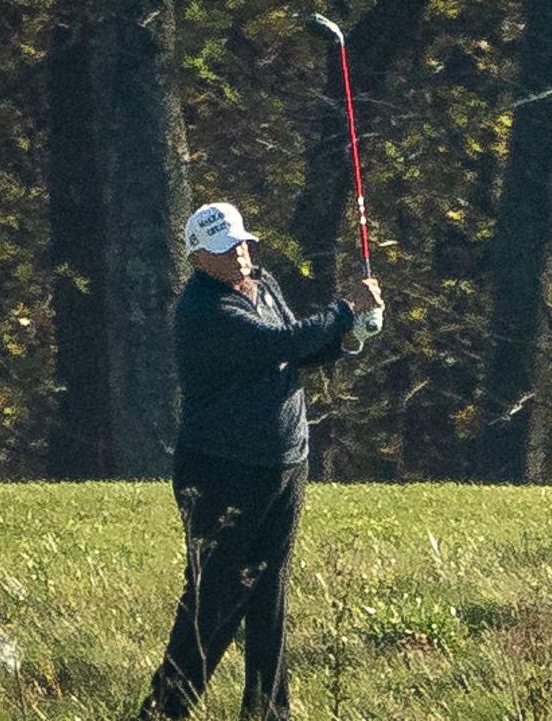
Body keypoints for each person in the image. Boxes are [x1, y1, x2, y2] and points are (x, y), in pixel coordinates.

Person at [136, 202, 384, 721]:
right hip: (221, 470)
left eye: (244, 243)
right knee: (216, 598)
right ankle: (164, 711)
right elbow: (279, 341)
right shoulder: (205, 309)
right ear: (199, 257)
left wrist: (350, 336)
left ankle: (269, 712)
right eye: (228, 249)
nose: (241, 255)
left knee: (270, 590)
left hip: (285, 461)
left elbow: (299, 349)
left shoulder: (262, 285)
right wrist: (345, 308)